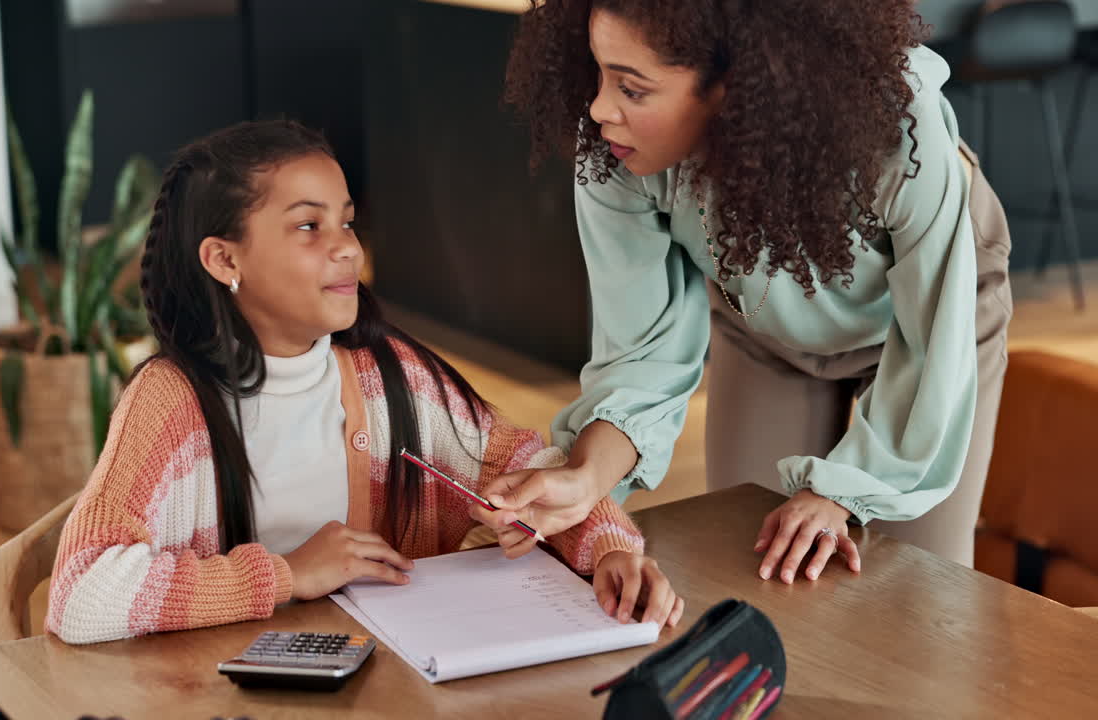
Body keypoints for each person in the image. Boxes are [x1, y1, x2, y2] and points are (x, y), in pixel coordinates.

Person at [46, 120, 684, 644]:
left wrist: (610, 551)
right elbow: (78, 596)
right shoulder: (170, 403)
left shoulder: (392, 377)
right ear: (224, 258)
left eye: (347, 222)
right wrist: (288, 574)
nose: (348, 247)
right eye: (309, 226)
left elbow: (532, 471)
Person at [475, 0, 1013, 583]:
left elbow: (934, 342)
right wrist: (585, 479)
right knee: (748, 563)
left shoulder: (897, 129)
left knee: (920, 585)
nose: (600, 107)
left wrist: (841, 494)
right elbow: (640, 357)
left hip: (935, 321)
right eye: (598, 71)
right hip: (764, 322)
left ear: (735, 84)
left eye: (632, 89)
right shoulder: (614, 148)